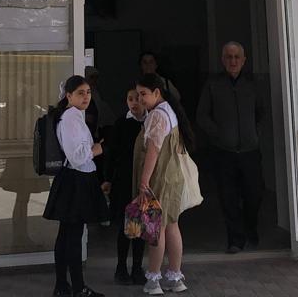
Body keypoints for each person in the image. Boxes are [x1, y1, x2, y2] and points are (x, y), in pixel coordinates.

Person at [43, 75, 109, 297]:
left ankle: (63, 286)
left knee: (67, 236)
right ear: (69, 96)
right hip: (76, 180)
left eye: (88, 92)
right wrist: (96, 150)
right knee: (72, 238)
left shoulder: (73, 116)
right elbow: (77, 156)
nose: (86, 97)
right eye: (80, 93)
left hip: (74, 179)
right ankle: (77, 287)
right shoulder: (71, 117)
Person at [197, 41, 265, 254]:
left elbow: (261, 112)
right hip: (223, 152)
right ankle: (235, 239)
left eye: (236, 57)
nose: (233, 61)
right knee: (228, 198)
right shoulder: (213, 84)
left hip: (250, 151)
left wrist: (254, 133)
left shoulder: (252, 84)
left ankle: (250, 229)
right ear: (222, 60)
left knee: (254, 194)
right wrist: (218, 134)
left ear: (243, 60)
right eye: (228, 56)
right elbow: (202, 116)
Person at [133, 73, 196, 295]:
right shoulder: (170, 111)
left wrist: (144, 180)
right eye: (137, 94)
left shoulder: (157, 116)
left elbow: (153, 150)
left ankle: (154, 280)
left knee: (156, 229)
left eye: (143, 94)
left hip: (159, 178)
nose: (140, 99)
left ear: (156, 92)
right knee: (171, 225)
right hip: (173, 177)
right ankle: (175, 277)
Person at [104, 87, 146, 285]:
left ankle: (137, 268)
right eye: (130, 99)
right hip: (124, 180)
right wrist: (107, 178)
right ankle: (121, 267)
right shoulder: (122, 123)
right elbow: (111, 152)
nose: (134, 103)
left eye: (138, 98)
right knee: (125, 226)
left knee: (140, 227)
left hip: (142, 180)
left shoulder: (150, 121)